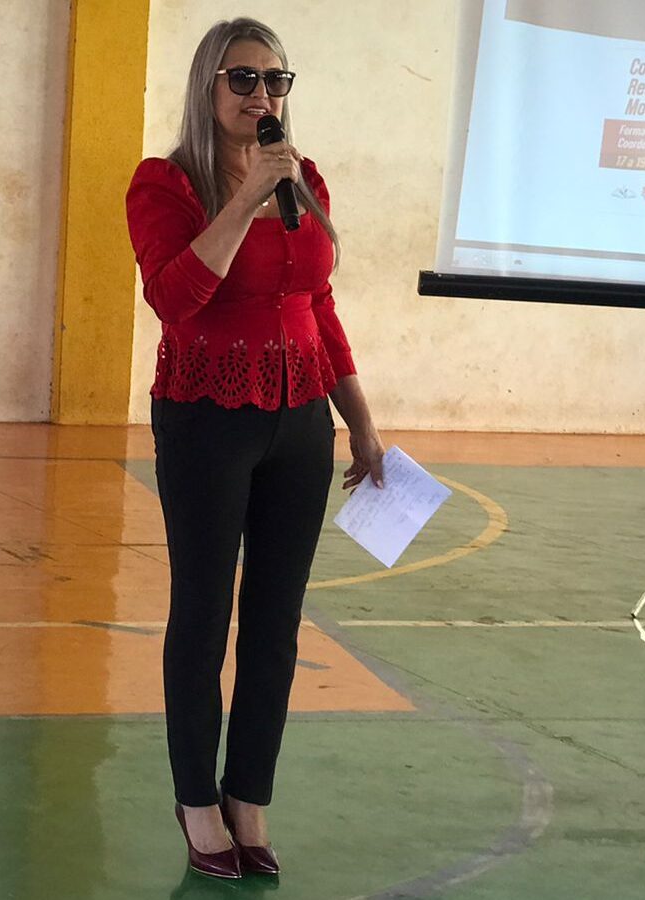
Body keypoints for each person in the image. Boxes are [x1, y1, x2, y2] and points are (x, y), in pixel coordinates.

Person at [124, 16, 385, 880]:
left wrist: (360, 421)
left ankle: (249, 798)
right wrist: (243, 200)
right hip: (206, 416)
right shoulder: (166, 183)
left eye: (275, 80)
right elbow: (175, 298)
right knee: (203, 615)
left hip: (301, 420)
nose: (261, 95)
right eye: (242, 79)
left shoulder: (304, 178)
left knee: (276, 622)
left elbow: (320, 305)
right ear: (208, 86)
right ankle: (195, 799)